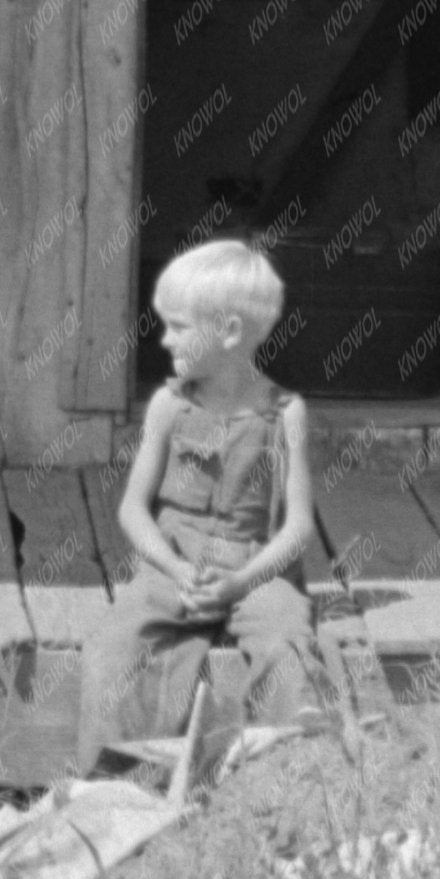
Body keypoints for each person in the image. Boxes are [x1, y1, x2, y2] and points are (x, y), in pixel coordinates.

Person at [73, 239, 331, 772]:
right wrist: (175, 568)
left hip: (255, 568)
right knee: (113, 645)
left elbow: (298, 528)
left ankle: (283, 781)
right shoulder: (169, 406)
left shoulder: (285, 413)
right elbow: (132, 509)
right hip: (174, 561)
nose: (164, 339)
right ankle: (109, 785)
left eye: (180, 326)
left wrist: (239, 584)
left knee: (289, 641)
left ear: (231, 332)